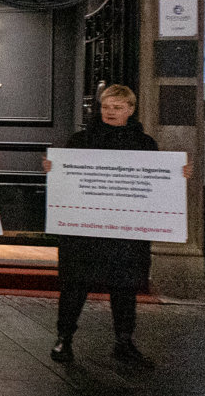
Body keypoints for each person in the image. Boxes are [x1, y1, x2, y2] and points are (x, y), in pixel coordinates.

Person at [43, 85, 190, 365]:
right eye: (106, 106)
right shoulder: (80, 141)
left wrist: (177, 174)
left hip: (126, 230)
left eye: (118, 107)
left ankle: (124, 342)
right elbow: (67, 179)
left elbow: (156, 184)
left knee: (125, 287)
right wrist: (54, 170)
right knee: (76, 284)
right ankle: (64, 338)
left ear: (131, 110)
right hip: (85, 229)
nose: (110, 112)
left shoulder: (145, 144)